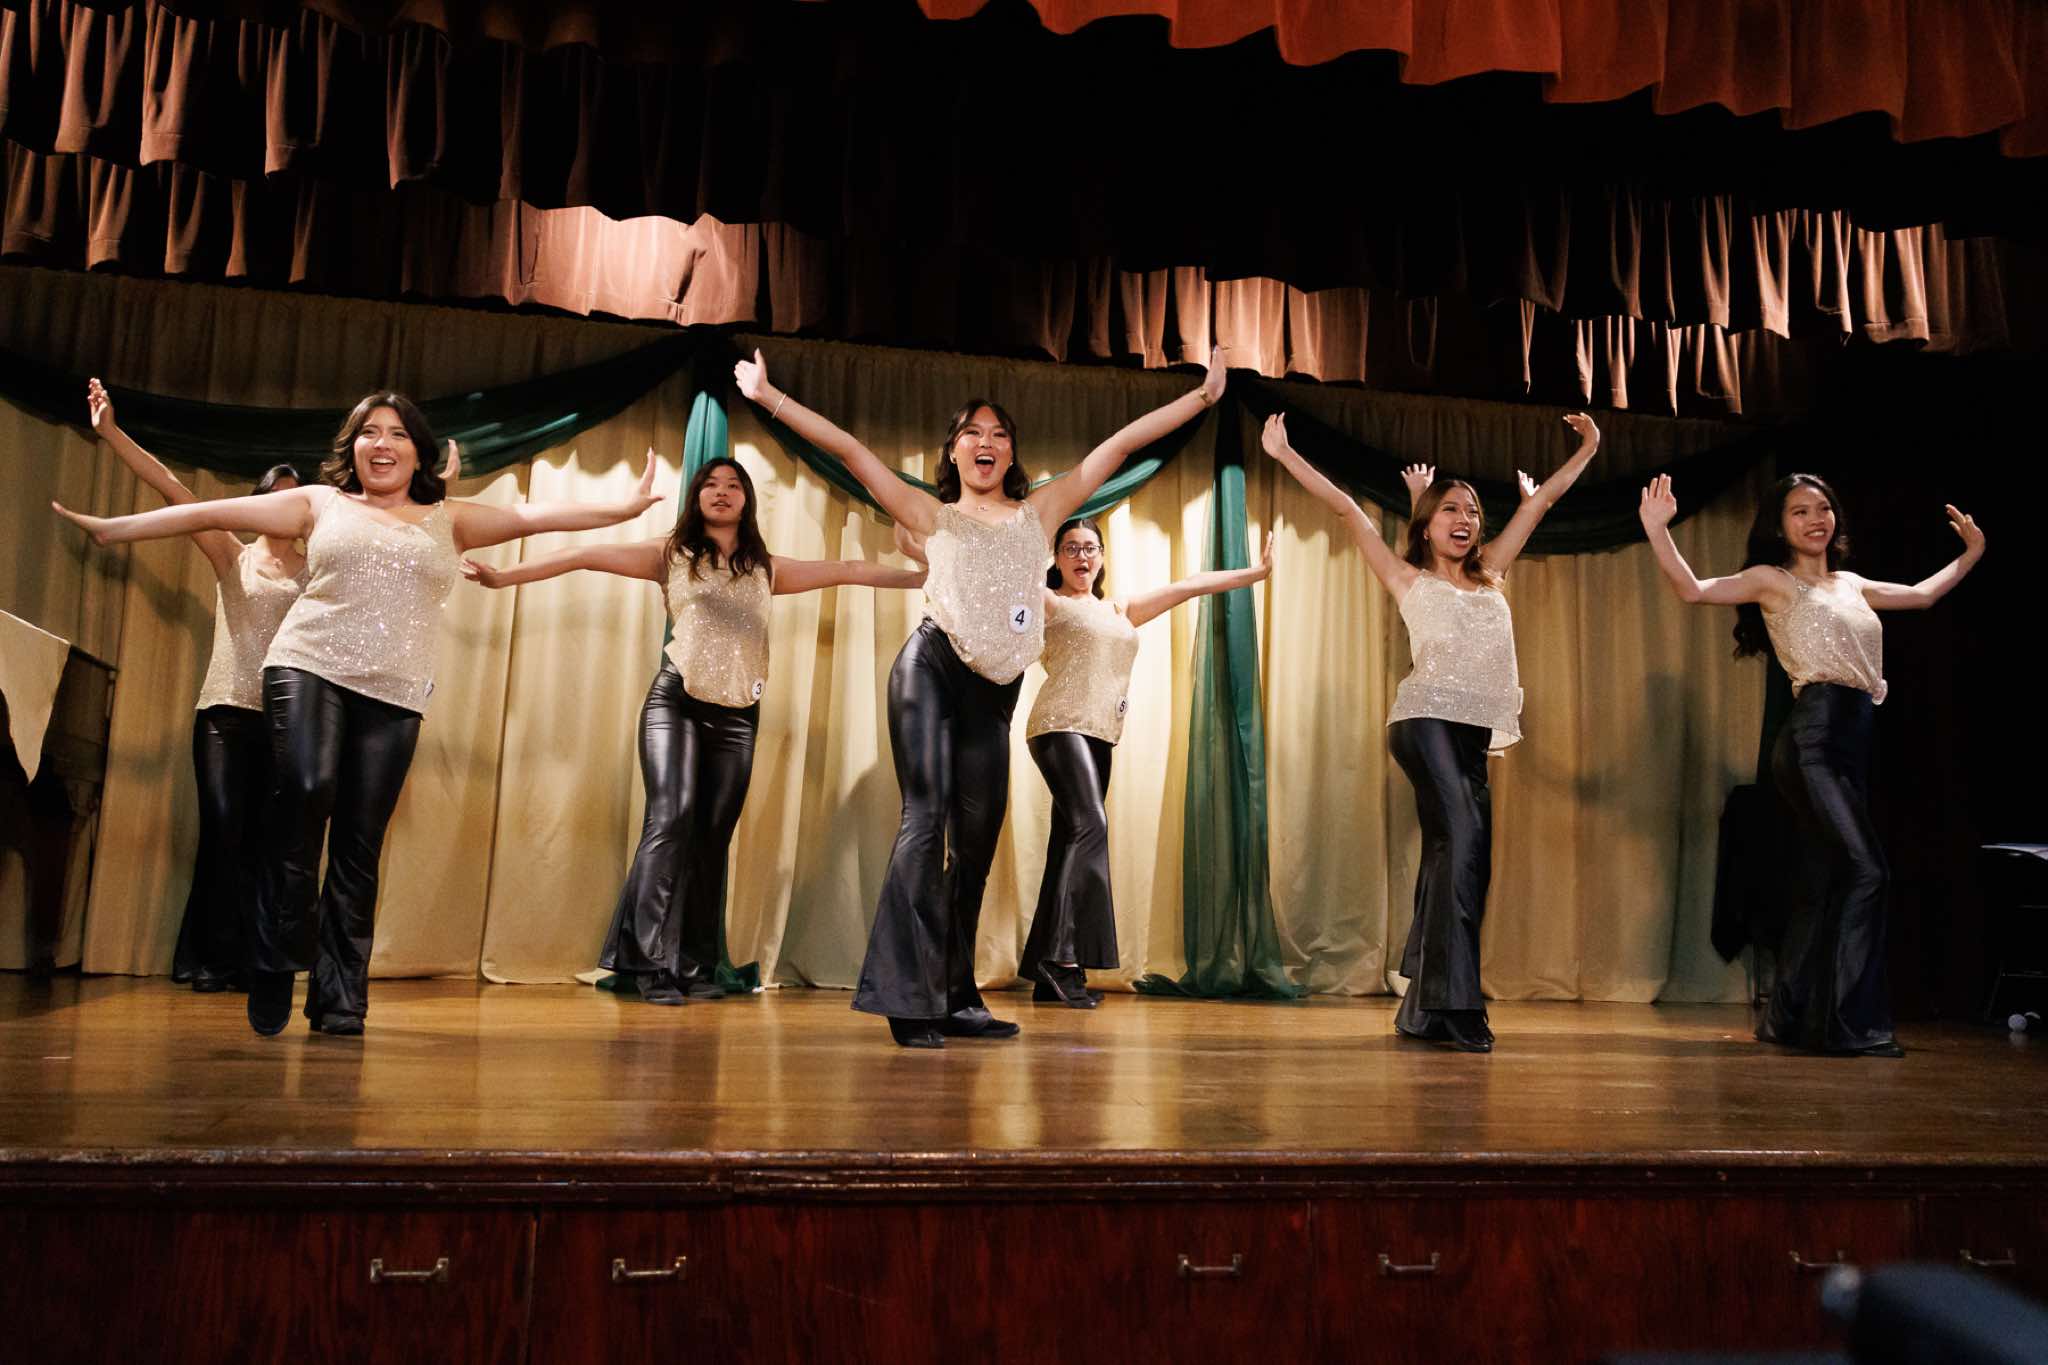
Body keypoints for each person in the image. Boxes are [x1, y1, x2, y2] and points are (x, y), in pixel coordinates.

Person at [55, 392, 663, 1037]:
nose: (382, 444)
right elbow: (206, 510)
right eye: (369, 432)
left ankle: (339, 997)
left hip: (395, 690)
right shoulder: (320, 504)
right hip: (308, 664)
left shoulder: (450, 518)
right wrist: (118, 527)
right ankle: (274, 955)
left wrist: (622, 508)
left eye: (397, 434)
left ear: (418, 453)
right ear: (353, 449)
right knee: (307, 788)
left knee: (358, 842)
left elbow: (534, 517)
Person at [733, 346, 1227, 1046]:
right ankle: (907, 999)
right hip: (932, 670)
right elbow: (849, 450)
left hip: (995, 695)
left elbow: (1118, 447)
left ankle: (956, 995)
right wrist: (767, 396)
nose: (985, 441)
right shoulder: (931, 515)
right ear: (954, 451)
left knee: (975, 846)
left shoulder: (1041, 514)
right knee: (925, 820)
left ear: (1011, 453)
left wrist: (1201, 398)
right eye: (972, 432)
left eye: (998, 433)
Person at [462, 456, 924, 1004]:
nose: (721, 492)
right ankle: (647, 964)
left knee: (710, 838)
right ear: (696, 497)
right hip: (676, 702)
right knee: (671, 818)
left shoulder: (766, 568)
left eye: (733, 485)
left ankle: (694, 963)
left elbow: (848, 570)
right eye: (710, 484)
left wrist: (922, 576)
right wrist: (502, 577)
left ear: (747, 500)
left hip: (737, 715)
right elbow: (582, 555)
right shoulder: (671, 553)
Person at [1261, 410, 1601, 1052]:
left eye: (1472, 511)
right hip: (1424, 721)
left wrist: (1589, 447)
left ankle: (1423, 1011)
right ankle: (1460, 1004)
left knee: (1462, 861)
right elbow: (1345, 510)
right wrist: (1283, 453)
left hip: (1471, 735)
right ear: (1426, 524)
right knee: (1462, 847)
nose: (1464, 519)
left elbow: (1543, 503)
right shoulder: (1406, 577)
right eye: (1449, 509)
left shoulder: (1492, 572)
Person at [1637, 471, 1983, 1056]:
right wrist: (1657, 529)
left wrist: (1972, 552)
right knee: (1868, 872)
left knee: (1825, 880)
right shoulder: (1773, 580)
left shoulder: (1851, 583)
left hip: (1853, 736)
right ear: (1779, 526)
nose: (1815, 519)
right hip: (1813, 739)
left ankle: (1788, 1018)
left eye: (1822, 508)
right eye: (1799, 511)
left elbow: (1922, 595)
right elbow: (1693, 590)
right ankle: (1850, 1026)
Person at [85, 379, 306, 993]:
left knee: (265, 844)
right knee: (223, 832)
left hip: (283, 723)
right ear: (257, 505)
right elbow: (171, 489)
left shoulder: (316, 568)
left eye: (294, 500)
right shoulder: (231, 552)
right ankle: (211, 958)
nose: (283, 508)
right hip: (225, 716)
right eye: (275, 498)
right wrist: (111, 433)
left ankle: (251, 962)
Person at [1020, 516, 1273, 1007]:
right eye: (1070, 548)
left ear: (1101, 557)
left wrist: (1255, 574)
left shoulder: (1120, 609)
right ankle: (1062, 959)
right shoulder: (1049, 602)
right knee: (1091, 826)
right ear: (1056, 558)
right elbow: (1008, 574)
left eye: (1090, 548)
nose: (1081, 557)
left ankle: (1046, 971)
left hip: (1100, 735)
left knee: (1069, 841)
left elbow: (1190, 584)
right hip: (1058, 726)